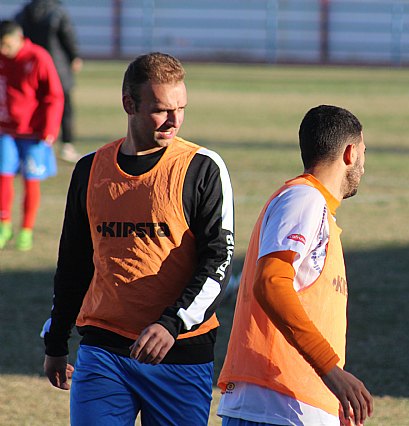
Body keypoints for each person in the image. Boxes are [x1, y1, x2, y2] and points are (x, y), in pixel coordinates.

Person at [42, 52, 235, 425]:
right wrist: (56, 341)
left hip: (179, 354)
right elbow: (74, 263)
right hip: (103, 349)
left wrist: (171, 323)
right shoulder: (90, 169)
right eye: (162, 109)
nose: (174, 120)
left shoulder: (202, 168)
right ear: (129, 104)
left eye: (181, 108)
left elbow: (218, 262)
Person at [217, 105, 374, 426]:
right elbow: (271, 284)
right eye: (364, 152)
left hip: (294, 405)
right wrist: (331, 369)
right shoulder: (305, 199)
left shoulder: (314, 207)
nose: (364, 164)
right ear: (350, 153)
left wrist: (330, 398)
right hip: (276, 407)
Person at [0, 20, 63, 251]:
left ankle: (26, 229)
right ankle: (4, 225)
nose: (3, 51)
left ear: (19, 38)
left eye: (7, 45)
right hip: (5, 130)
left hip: (33, 133)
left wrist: (50, 129)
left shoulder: (38, 58)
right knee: (3, 176)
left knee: (31, 181)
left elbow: (54, 96)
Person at [16, 0, 83, 163]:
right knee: (64, 107)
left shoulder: (25, 11)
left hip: (31, 68)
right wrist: (74, 56)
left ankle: (40, 141)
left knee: (36, 106)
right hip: (57, 67)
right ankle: (67, 145)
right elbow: (68, 35)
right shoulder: (58, 11)